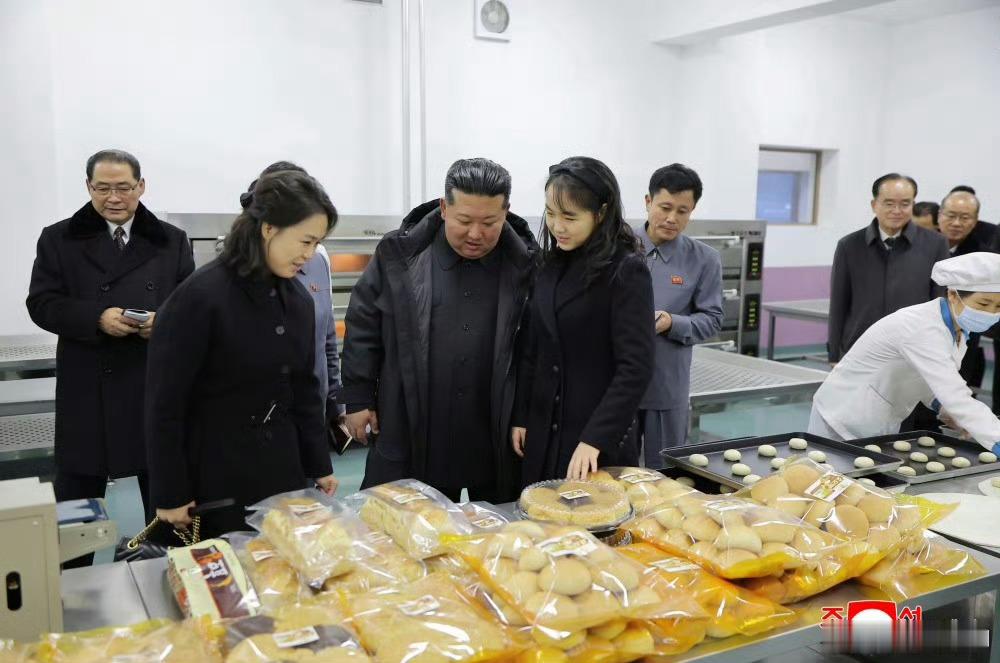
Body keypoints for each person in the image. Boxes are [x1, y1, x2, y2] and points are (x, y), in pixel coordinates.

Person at [145, 170, 339, 537]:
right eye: (305, 241)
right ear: (269, 228)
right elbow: (164, 405)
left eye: (317, 243)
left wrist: (319, 464)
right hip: (216, 477)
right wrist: (171, 492)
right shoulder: (199, 298)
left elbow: (305, 393)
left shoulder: (297, 301)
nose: (310, 254)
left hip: (282, 474)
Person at [26, 149, 194, 565]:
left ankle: (167, 576)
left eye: (123, 187)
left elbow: (191, 305)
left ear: (141, 186)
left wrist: (164, 323)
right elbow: (41, 303)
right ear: (88, 187)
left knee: (166, 501)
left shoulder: (171, 240)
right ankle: (67, 587)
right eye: (102, 188)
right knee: (74, 513)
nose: (113, 197)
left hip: (152, 383)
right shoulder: (59, 238)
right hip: (87, 387)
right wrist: (95, 317)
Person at [340, 158, 537, 503]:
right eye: (465, 221)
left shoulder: (526, 265)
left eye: (489, 222)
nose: (475, 234)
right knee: (406, 521)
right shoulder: (400, 255)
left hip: (492, 427)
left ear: (505, 213)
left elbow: (536, 347)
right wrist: (358, 397)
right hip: (414, 420)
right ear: (444, 208)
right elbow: (363, 324)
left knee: (501, 526)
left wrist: (524, 414)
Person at [512, 157, 654, 484]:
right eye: (550, 213)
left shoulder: (625, 270)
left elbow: (636, 367)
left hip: (591, 439)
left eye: (570, 217)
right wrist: (522, 415)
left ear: (600, 213)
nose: (557, 226)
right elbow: (532, 348)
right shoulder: (549, 264)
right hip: (543, 432)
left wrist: (596, 437)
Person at [810, 252, 1000, 456]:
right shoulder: (922, 328)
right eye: (983, 304)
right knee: (830, 474)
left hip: (876, 417)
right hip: (841, 417)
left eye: (998, 306)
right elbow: (955, 394)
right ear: (953, 295)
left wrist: (944, 409)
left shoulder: (957, 329)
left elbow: (924, 375)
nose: (990, 313)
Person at [241, 162, 345, 428]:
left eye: (315, 242)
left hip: (312, 415)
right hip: (258, 424)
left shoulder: (317, 261)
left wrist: (337, 401)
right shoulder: (227, 284)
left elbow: (326, 338)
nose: (309, 252)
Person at [636, 164, 722, 466]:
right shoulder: (616, 248)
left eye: (682, 211)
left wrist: (672, 322)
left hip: (666, 387)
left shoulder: (704, 259)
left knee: (666, 473)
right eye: (665, 207)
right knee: (612, 475)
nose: (672, 218)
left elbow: (712, 319)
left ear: (692, 211)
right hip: (613, 387)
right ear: (648, 202)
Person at [828, 173, 949, 364]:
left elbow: (940, 301)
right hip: (860, 347)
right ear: (874, 205)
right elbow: (838, 303)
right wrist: (834, 354)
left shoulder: (936, 244)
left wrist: (940, 350)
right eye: (889, 203)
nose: (897, 210)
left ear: (913, 205)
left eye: (905, 204)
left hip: (914, 349)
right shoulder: (849, 245)